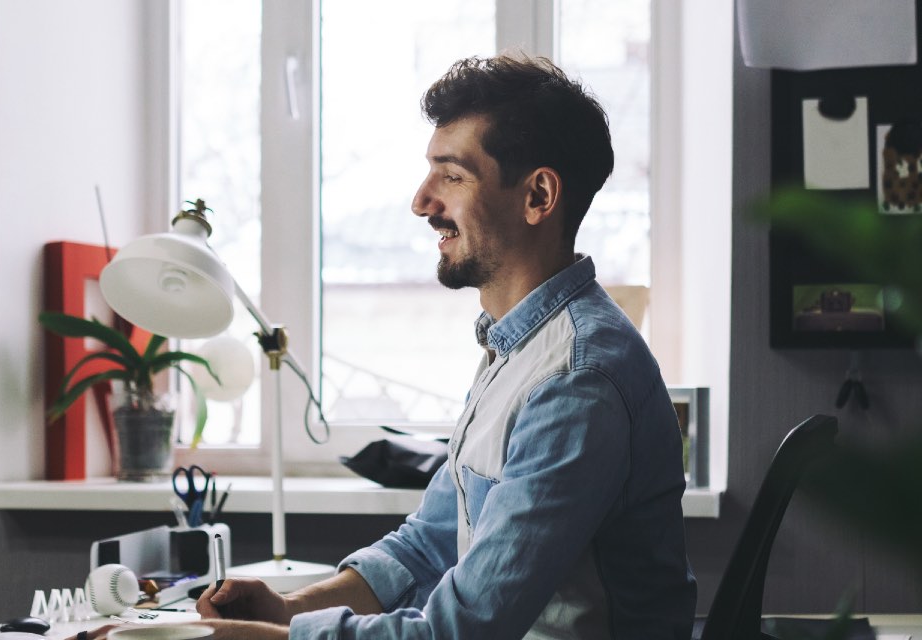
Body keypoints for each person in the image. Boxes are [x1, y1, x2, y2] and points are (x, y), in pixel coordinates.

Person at [78, 50, 696, 640]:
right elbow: (429, 543)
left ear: (537, 196)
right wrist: (289, 611)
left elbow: (463, 631)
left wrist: (261, 638)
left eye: (452, 175)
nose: (422, 201)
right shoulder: (519, 352)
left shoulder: (576, 379)